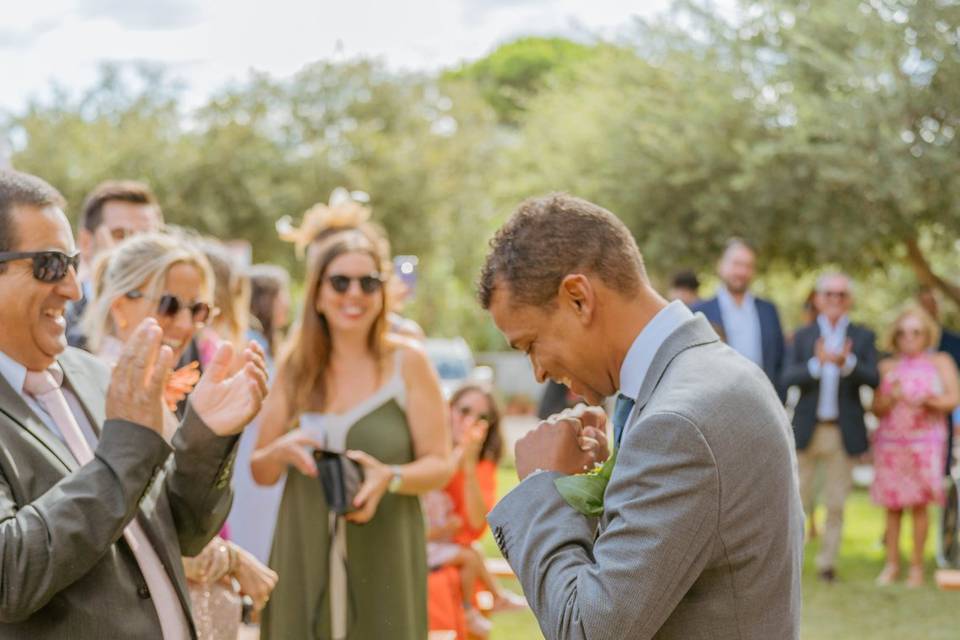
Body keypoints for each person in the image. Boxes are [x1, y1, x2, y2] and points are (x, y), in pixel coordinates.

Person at [478, 193, 803, 639]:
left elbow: (588, 629)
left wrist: (542, 489)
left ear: (578, 298)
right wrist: (600, 485)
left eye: (531, 343)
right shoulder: (713, 375)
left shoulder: (678, 424)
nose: (538, 372)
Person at [0, 168, 269, 638]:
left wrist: (206, 436)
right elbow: (10, 576)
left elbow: (180, 531)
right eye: (47, 265)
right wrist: (122, 451)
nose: (73, 288)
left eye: (71, 262)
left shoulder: (97, 376)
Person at [252, 224, 452, 639]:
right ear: (318, 294)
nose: (354, 294)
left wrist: (391, 477)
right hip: (303, 547)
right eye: (340, 282)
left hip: (386, 548)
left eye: (368, 282)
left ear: (383, 292)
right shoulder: (295, 368)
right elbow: (261, 470)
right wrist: (281, 450)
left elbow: (440, 463)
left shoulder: (408, 363)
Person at [81, 232, 279, 634]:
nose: (187, 324)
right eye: (169, 305)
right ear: (121, 307)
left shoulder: (162, 391)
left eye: (199, 309)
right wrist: (232, 559)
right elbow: (119, 540)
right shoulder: (97, 393)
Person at [782, 272, 879, 583]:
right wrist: (817, 364)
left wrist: (846, 365)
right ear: (819, 299)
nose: (835, 300)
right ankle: (789, 566)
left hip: (843, 430)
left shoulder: (862, 337)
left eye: (841, 295)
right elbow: (786, 377)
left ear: (848, 299)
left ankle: (827, 565)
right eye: (829, 294)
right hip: (807, 428)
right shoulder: (804, 335)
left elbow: (875, 378)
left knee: (836, 503)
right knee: (796, 500)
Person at [426, 384, 524, 639]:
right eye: (464, 411)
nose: (470, 421)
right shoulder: (428, 450)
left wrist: (468, 467)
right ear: (448, 409)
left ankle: (476, 608)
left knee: (472, 554)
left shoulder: (481, 464)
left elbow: (476, 527)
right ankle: (480, 606)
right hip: (431, 547)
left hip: (450, 550)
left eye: (482, 417)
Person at [871, 307, 960, 587]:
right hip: (892, 443)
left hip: (925, 444)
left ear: (926, 334)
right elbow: (876, 408)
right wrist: (891, 398)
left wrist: (929, 400)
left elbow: (953, 398)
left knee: (919, 506)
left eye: (915, 332)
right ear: (895, 337)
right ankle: (892, 564)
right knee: (893, 505)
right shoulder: (887, 366)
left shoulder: (941, 361)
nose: (909, 338)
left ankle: (917, 568)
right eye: (902, 333)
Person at [225, 263, 292, 565]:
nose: (288, 303)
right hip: (250, 451)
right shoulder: (251, 345)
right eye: (282, 295)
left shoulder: (269, 344)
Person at [66, 180, 164, 349]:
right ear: (86, 242)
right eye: (121, 235)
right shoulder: (61, 320)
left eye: (147, 238)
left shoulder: (175, 320)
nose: (136, 249)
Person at [693, 238, 787, 399]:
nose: (742, 272)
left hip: (764, 403)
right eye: (736, 264)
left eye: (748, 266)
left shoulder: (769, 311)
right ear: (721, 266)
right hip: (715, 404)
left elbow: (780, 359)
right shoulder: (700, 312)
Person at [917, 286, 960, 473]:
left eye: (932, 303)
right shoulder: (905, 340)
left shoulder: (953, 341)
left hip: (946, 412)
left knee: (944, 465)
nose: (928, 308)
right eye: (923, 303)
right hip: (913, 413)